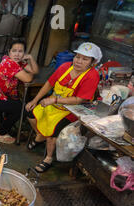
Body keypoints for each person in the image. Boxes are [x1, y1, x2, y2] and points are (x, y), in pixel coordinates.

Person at [25, 42, 102, 173]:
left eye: (85, 59)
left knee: (54, 131)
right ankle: (41, 135)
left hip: (71, 110)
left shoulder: (92, 75)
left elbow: (79, 99)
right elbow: (49, 83)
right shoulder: (65, 67)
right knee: (30, 112)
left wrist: (55, 99)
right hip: (53, 104)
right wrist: (35, 100)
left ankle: (48, 158)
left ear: (92, 62)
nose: (79, 61)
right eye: (77, 57)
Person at [0, 39, 39, 144]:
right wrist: (29, 73)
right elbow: (29, 78)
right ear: (9, 52)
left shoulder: (16, 62)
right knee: (19, 108)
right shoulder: (9, 63)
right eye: (14, 51)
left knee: (16, 103)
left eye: (20, 51)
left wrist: (30, 58)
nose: (17, 54)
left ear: (24, 53)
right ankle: (1, 134)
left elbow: (35, 70)